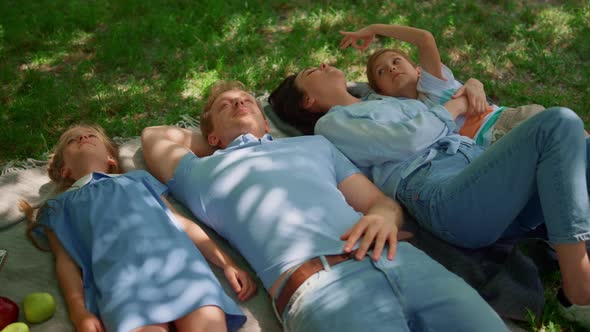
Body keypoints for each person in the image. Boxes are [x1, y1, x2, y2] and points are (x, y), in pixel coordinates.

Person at [140, 80, 508, 331]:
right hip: (321, 288)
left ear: (265, 118)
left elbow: (377, 202)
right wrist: (221, 142)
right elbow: (154, 136)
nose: (238, 102)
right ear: (210, 135)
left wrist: (382, 216)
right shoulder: (201, 173)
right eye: (226, 105)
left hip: (402, 259)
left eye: (247, 100)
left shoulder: (315, 146)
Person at [269, 63, 590, 327]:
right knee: (557, 123)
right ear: (307, 101)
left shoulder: (384, 101)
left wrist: (466, 94)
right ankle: (578, 289)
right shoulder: (332, 124)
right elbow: (408, 140)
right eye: (311, 72)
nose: (324, 64)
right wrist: (453, 108)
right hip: (442, 192)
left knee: (581, 146)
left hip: (486, 176)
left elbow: (440, 115)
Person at [21, 124, 256, 332]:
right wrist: (79, 312)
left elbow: (181, 222)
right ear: (66, 171)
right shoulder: (58, 207)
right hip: (123, 287)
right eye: (72, 141)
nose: (83, 139)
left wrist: (226, 263)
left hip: (183, 270)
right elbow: (65, 263)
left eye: (91, 136)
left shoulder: (136, 180)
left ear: (111, 159)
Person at [340, 23, 546, 147]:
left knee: (562, 136)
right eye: (381, 71)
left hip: (503, 122)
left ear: (417, 69)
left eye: (396, 61)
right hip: (486, 150)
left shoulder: (432, 83)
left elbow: (425, 38)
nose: (392, 68)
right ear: (382, 91)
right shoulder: (401, 110)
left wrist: (375, 28)